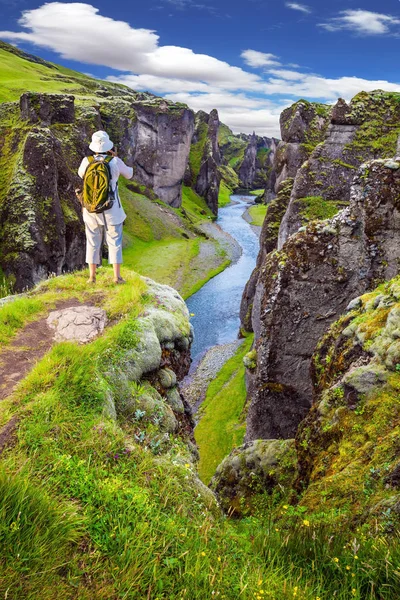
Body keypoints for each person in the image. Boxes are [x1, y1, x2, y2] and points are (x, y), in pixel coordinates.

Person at [78, 130, 133, 284]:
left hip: (90, 209)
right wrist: (116, 159)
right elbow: (129, 174)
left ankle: (92, 277)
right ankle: (117, 277)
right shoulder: (114, 162)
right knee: (114, 241)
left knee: (92, 241)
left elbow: (81, 175)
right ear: (108, 145)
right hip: (112, 209)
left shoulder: (86, 161)